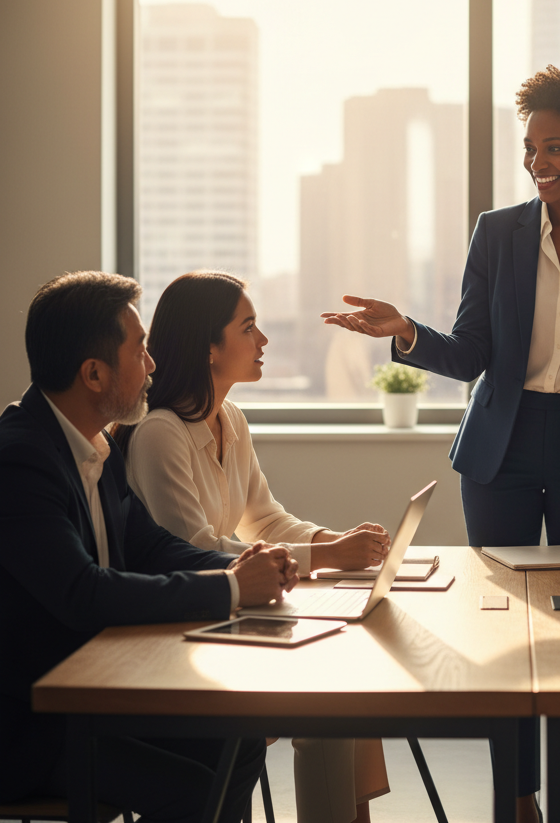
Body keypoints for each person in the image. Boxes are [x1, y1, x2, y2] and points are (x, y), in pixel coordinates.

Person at [323, 64, 560, 823]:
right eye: (530, 148)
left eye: (556, 148)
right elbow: (470, 354)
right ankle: (516, 798)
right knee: (501, 634)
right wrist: (404, 331)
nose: (538, 164)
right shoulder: (497, 232)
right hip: (500, 449)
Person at [0, 271, 298, 820]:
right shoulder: (22, 461)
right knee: (190, 786)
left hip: (98, 690)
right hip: (31, 726)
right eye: (139, 349)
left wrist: (243, 571)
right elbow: (82, 592)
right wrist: (232, 587)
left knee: (240, 739)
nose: (153, 364)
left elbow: (154, 547)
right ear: (94, 373)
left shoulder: (94, 443)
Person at [116, 271, 391, 823]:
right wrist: (328, 559)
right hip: (183, 633)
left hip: (225, 620)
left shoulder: (231, 419)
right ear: (209, 348)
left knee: (349, 679)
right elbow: (196, 548)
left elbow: (262, 518)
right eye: (249, 328)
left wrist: (331, 542)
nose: (263, 341)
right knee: (329, 702)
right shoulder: (159, 433)